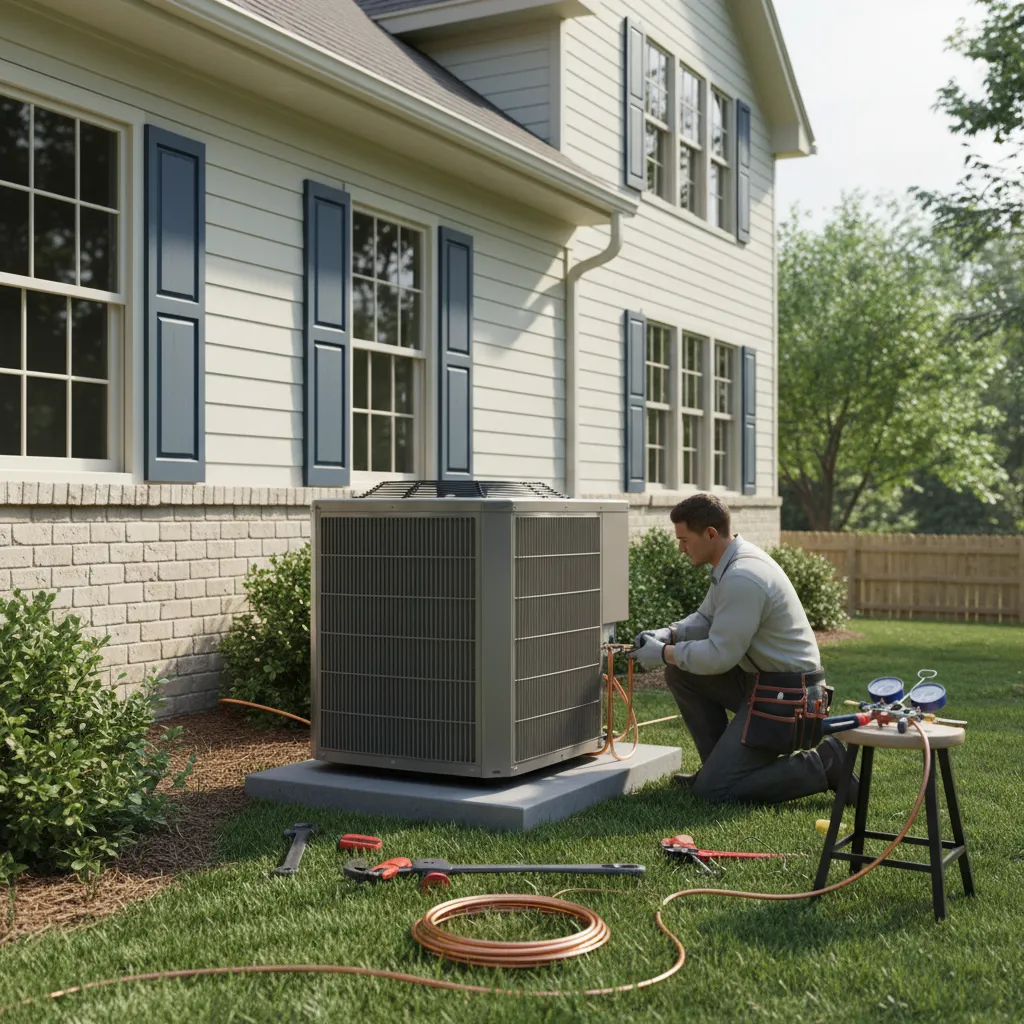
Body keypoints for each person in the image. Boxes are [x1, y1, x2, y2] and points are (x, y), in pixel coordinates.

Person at [630, 493, 856, 805]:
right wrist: (669, 634)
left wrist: (664, 653)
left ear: (710, 534)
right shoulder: (732, 563)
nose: (681, 548)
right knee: (681, 674)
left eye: (684, 540)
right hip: (766, 685)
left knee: (713, 792)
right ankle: (717, 767)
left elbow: (719, 656)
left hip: (790, 698)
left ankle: (825, 763)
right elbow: (706, 618)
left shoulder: (743, 576)